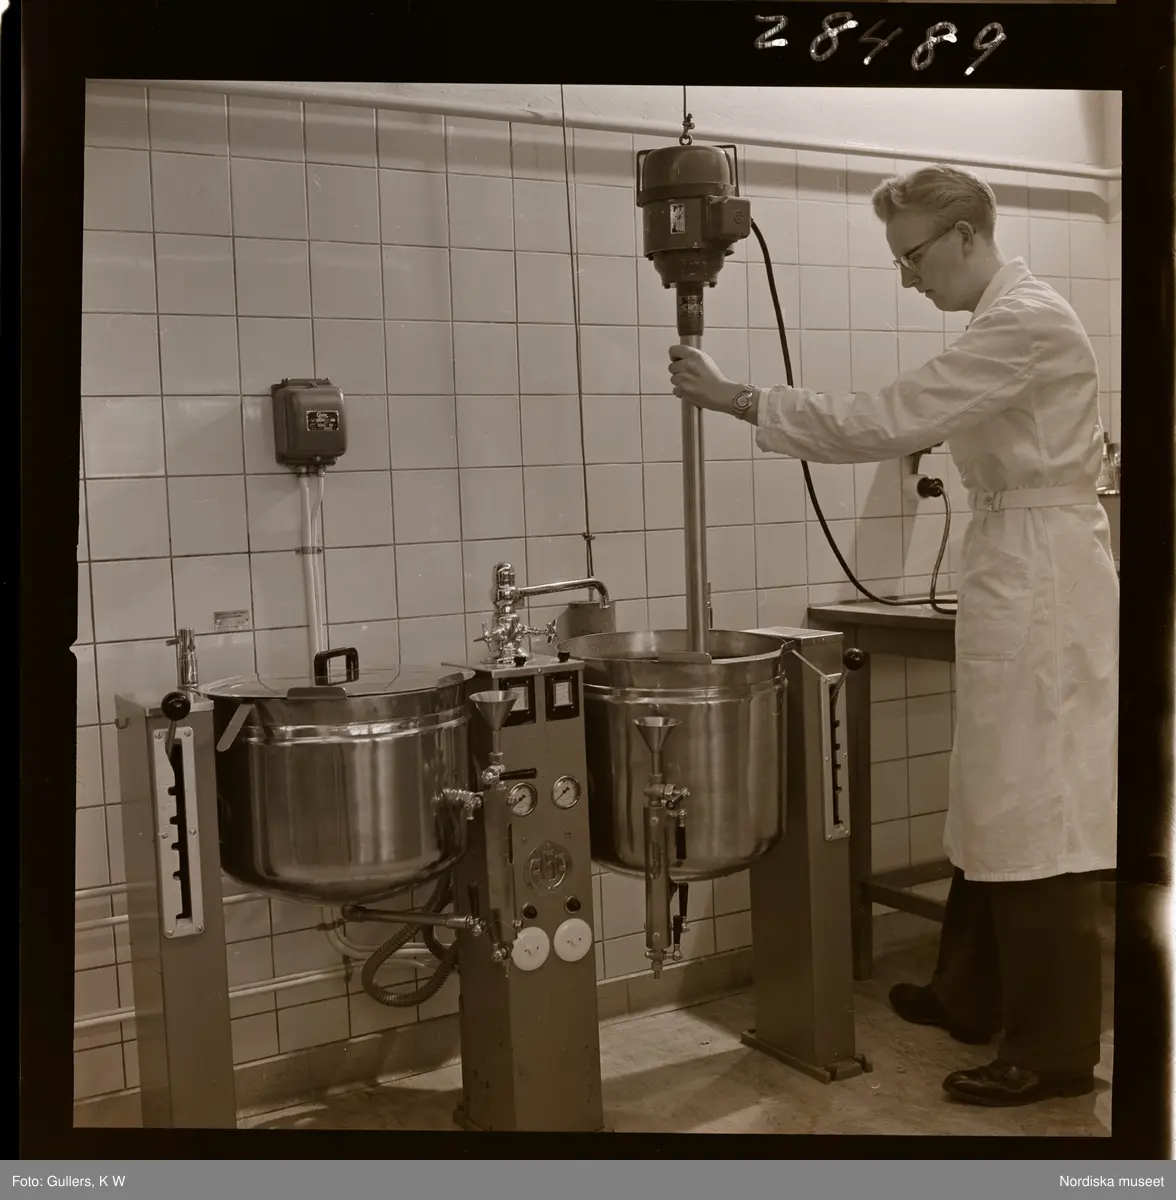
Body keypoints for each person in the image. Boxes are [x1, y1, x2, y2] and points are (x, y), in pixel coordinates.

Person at [668, 164, 1118, 1108]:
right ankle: (971, 993)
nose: (907, 276)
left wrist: (741, 397)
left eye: (911, 255)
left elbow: (888, 417)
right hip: (1018, 564)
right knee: (993, 792)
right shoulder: (1002, 322)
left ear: (965, 235)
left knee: (1040, 810)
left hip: (1044, 580)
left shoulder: (1024, 323)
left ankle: (1056, 1051)